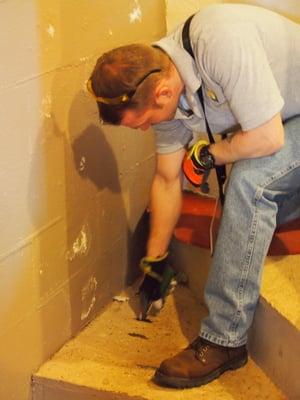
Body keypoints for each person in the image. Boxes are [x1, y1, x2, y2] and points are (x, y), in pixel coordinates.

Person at [87, 3, 300, 389]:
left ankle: (224, 340)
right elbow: (168, 179)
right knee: (251, 195)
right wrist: (155, 258)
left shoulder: (220, 41)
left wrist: (210, 153)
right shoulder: (161, 81)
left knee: (250, 181)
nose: (144, 132)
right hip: (285, 121)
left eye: (146, 123)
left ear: (163, 92)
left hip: (290, 123)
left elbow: (268, 138)